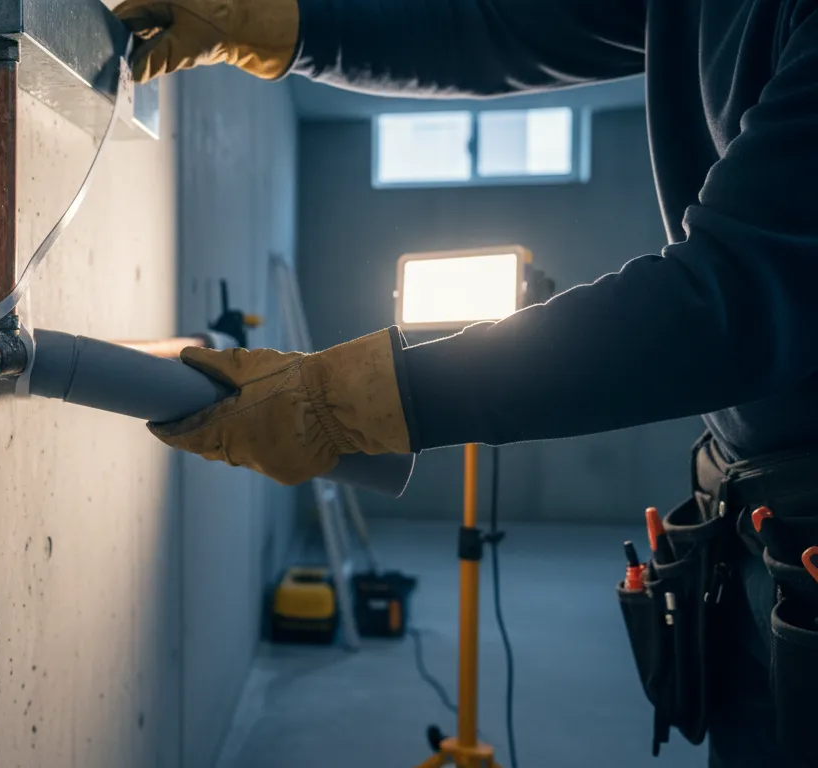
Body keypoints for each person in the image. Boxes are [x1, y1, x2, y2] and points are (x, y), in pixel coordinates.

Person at [112, 1, 818, 766]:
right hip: (749, 526)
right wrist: (281, 23)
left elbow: (730, 304)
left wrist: (347, 401)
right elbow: (498, 31)